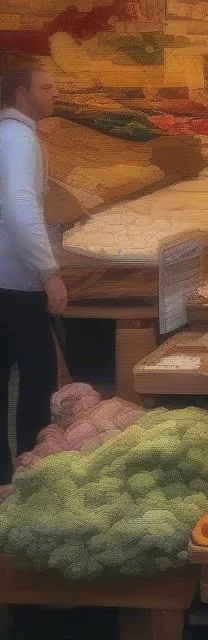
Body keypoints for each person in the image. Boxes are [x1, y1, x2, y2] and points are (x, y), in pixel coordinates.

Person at [0, 62, 64, 484]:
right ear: (22, 95)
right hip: (13, 284)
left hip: (8, 279)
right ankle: (30, 468)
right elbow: (20, 209)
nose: (54, 93)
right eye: (46, 87)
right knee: (39, 378)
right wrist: (49, 272)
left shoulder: (12, 136)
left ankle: (9, 475)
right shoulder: (19, 139)